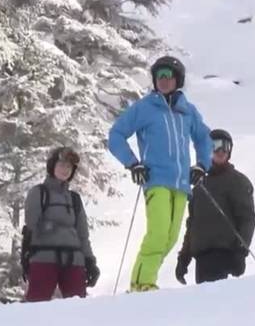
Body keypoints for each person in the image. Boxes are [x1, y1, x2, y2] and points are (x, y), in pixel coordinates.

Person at [108, 55, 214, 292]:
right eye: (160, 76)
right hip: (156, 180)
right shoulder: (145, 108)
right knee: (157, 233)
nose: (164, 80)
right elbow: (116, 135)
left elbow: (204, 139)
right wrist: (133, 163)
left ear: (178, 80)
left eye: (169, 76)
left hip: (182, 184)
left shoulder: (187, 111)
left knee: (170, 238)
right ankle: (142, 283)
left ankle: (140, 282)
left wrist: (201, 165)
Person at [175, 129, 255, 285]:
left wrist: (240, 252)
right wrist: (184, 258)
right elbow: (192, 225)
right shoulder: (199, 184)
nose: (221, 151)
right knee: (205, 306)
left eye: (226, 146)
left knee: (220, 304)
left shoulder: (237, 181)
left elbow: (247, 220)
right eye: (216, 145)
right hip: (203, 258)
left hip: (226, 256)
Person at [20, 147, 100, 302]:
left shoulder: (75, 199)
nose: (65, 170)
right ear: (52, 166)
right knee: (35, 307)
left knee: (79, 310)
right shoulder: (38, 193)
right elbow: (31, 226)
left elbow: (83, 235)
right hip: (44, 259)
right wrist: (25, 257)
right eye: (62, 165)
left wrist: (90, 261)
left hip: (74, 261)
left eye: (69, 167)